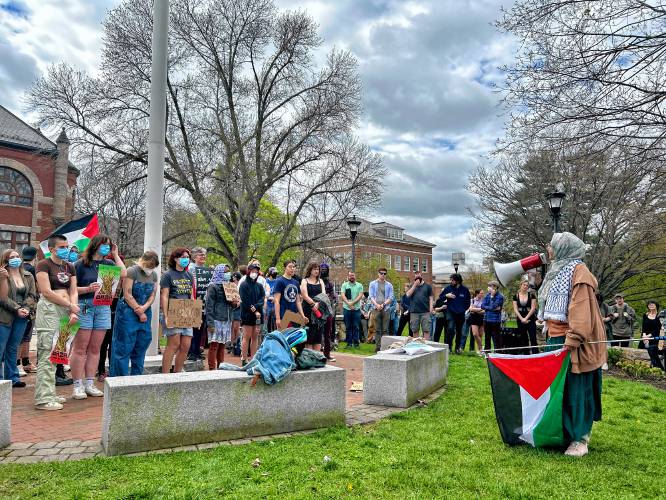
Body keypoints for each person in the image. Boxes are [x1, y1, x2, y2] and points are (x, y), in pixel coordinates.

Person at [539, 232, 606, 457]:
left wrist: (573, 339)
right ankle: (564, 434)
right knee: (560, 390)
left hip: (574, 344)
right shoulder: (556, 271)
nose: (549, 248)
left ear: (564, 248)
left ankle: (580, 439)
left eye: (552, 244)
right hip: (555, 340)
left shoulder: (579, 272)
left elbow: (581, 309)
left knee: (577, 390)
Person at [70, 235, 126, 399]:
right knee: (80, 348)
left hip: (103, 306)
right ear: (95, 245)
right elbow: (71, 289)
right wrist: (87, 288)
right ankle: (77, 384)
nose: (107, 248)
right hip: (85, 305)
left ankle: (89, 382)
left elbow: (124, 273)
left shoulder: (108, 264)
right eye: (104, 245)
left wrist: (115, 255)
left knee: (96, 348)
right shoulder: (80, 264)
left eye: (109, 246)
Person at [34, 235, 79, 410]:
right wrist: (70, 305)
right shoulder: (43, 265)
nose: (66, 249)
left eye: (67, 246)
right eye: (62, 246)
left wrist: (73, 307)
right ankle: (43, 399)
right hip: (49, 311)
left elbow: (73, 289)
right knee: (47, 352)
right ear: (52, 249)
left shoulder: (70, 267)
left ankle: (50, 392)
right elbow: (46, 291)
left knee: (58, 352)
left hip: (66, 310)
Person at [109, 251, 159, 376]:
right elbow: (127, 294)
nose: (150, 269)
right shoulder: (132, 271)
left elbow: (153, 294)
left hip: (145, 311)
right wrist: (138, 310)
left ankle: (137, 377)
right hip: (128, 312)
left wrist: (144, 308)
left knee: (142, 344)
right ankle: (120, 379)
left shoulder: (154, 275)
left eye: (153, 267)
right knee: (123, 346)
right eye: (149, 266)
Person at [0, 249, 37, 388]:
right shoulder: (2, 274)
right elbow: (2, 297)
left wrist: (26, 308)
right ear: (5, 260)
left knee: (13, 347)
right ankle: (1, 379)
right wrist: (16, 309)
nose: (16, 259)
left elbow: (33, 295)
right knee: (1, 347)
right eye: (12, 257)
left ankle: (13, 378)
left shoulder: (28, 276)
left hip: (22, 316)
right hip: (4, 315)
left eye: (17, 256)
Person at [160, 247, 194, 374]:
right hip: (173, 310)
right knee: (173, 344)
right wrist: (166, 315)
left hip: (187, 312)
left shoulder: (189, 275)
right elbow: (164, 295)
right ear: (175, 258)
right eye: (183, 257)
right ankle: (165, 375)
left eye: (187, 257)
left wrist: (194, 314)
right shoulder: (168, 275)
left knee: (186, 345)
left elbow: (190, 295)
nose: (186, 259)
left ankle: (177, 373)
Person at [205, 264, 237, 370]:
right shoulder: (213, 286)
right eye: (225, 272)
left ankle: (221, 367)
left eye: (228, 272)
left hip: (226, 319)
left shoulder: (229, 286)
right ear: (219, 273)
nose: (228, 274)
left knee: (222, 345)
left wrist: (235, 303)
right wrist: (210, 323)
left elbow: (233, 305)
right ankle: (211, 368)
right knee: (214, 345)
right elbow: (209, 306)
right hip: (216, 319)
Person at [188, 247, 213, 362]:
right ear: (194, 257)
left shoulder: (206, 270)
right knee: (193, 327)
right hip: (193, 301)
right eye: (200, 255)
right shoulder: (191, 269)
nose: (203, 257)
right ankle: (191, 351)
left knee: (201, 328)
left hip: (204, 303)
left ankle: (197, 350)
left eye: (204, 255)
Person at [16, 246, 37, 376]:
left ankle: (25, 362)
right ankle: (18, 364)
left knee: (25, 336)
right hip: (29, 307)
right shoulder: (32, 270)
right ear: (35, 257)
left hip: (20, 307)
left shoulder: (19, 268)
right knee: (23, 337)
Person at [239, 262, 265, 365]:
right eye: (253, 271)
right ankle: (244, 359)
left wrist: (257, 308)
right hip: (247, 314)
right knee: (247, 336)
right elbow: (245, 301)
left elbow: (262, 298)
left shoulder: (259, 286)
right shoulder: (243, 285)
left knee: (255, 336)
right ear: (249, 271)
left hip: (258, 314)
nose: (254, 273)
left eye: (256, 271)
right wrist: (254, 311)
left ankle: (253, 359)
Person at [273, 260, 307, 330]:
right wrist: (278, 318)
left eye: (294, 267)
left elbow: (298, 301)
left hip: (294, 315)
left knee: (294, 339)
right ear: (284, 268)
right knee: (283, 338)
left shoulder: (296, 282)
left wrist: (303, 316)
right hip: (283, 315)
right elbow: (276, 301)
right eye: (290, 267)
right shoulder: (279, 281)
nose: (292, 269)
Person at [442, 273, 471, 353]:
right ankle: (449, 347)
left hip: (460, 313)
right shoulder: (448, 288)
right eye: (450, 280)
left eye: (452, 280)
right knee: (450, 329)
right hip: (450, 312)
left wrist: (464, 309)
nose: (451, 281)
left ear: (457, 281)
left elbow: (468, 301)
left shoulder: (465, 290)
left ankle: (457, 348)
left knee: (459, 331)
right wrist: (446, 296)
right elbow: (440, 298)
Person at [300, 262, 325, 352]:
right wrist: (313, 304)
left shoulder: (320, 281)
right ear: (310, 270)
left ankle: (317, 358)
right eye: (314, 269)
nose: (316, 271)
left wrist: (318, 303)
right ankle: (309, 358)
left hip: (319, 310)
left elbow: (323, 295)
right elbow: (304, 295)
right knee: (309, 335)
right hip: (308, 310)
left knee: (318, 335)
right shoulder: (304, 281)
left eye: (317, 269)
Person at [368, 267, 394, 352]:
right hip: (375, 308)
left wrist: (383, 304)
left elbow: (391, 297)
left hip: (385, 308)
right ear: (378, 273)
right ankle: (378, 347)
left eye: (384, 273)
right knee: (377, 329)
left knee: (385, 329)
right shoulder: (372, 284)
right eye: (381, 273)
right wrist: (376, 305)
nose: (383, 275)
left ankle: (385, 347)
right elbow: (371, 296)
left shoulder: (389, 285)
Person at [405, 271, 433, 340]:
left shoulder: (428, 286)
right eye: (416, 276)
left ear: (421, 276)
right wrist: (414, 285)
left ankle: (426, 347)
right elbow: (408, 295)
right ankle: (417, 347)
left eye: (419, 276)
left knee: (426, 330)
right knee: (415, 330)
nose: (417, 278)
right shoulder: (412, 286)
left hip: (425, 312)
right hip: (414, 312)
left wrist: (431, 309)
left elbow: (431, 299)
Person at [513, 278, 538, 354]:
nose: (525, 286)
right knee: (523, 338)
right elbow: (515, 309)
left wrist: (526, 318)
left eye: (527, 285)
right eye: (524, 285)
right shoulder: (515, 296)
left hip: (530, 317)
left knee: (533, 337)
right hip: (520, 318)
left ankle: (535, 355)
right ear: (520, 285)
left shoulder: (532, 295)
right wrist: (522, 319)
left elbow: (533, 308)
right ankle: (526, 354)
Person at [340, 271, 363, 348]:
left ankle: (356, 343)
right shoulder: (344, 285)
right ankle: (349, 344)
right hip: (347, 308)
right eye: (350, 276)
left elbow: (360, 295)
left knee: (356, 326)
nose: (351, 277)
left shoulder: (359, 285)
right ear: (348, 277)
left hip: (356, 309)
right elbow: (343, 295)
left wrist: (352, 303)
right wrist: (348, 303)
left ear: (355, 276)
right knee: (348, 326)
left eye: (353, 275)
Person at [320, 263, 337, 361]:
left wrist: (329, 297)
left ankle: (327, 354)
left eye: (325, 269)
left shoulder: (329, 283)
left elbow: (332, 295)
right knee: (317, 333)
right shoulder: (316, 281)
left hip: (327, 310)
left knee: (328, 333)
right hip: (317, 309)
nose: (323, 270)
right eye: (322, 269)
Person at [641, 300, 664, 371]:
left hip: (655, 338)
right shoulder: (645, 315)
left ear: (656, 305)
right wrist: (644, 336)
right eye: (649, 304)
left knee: (653, 352)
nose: (651, 305)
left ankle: (658, 369)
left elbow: (658, 329)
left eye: (652, 304)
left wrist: (648, 336)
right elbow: (643, 327)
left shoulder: (659, 316)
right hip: (645, 338)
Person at [481, 281, 504, 350]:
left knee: (496, 337)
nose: (489, 288)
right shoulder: (487, 295)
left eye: (491, 286)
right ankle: (488, 352)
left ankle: (498, 352)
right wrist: (490, 307)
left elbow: (494, 306)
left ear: (495, 287)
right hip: (486, 319)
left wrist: (492, 297)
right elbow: (482, 306)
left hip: (495, 320)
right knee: (487, 337)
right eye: (489, 286)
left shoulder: (500, 297)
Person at [229, 271, 242, 354]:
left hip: (238, 308)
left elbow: (242, 297)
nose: (234, 279)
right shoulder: (230, 286)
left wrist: (239, 303)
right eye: (233, 277)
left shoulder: (240, 286)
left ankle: (238, 343)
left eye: (235, 278)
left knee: (236, 327)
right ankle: (232, 344)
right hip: (231, 308)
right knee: (231, 327)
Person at [467, 289, 485, 353]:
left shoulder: (484, 300)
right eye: (481, 293)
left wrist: (476, 310)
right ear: (477, 294)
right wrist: (480, 309)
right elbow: (471, 309)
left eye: (483, 293)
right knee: (475, 334)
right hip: (474, 318)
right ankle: (481, 347)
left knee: (480, 335)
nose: (482, 294)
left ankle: (479, 350)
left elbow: (484, 311)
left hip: (482, 318)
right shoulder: (472, 300)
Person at [265, 267, 279, 333]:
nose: (275, 274)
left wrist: (275, 298)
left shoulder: (277, 281)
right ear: (270, 273)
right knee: (267, 322)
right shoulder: (265, 281)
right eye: (274, 273)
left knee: (275, 323)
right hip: (267, 305)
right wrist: (268, 297)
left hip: (275, 305)